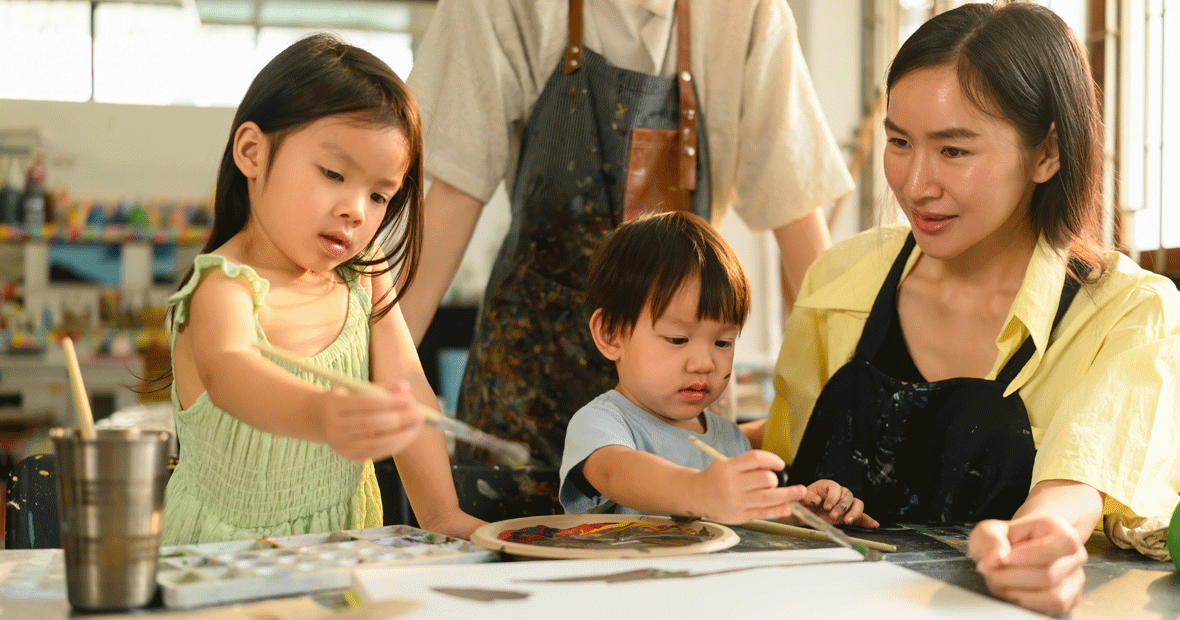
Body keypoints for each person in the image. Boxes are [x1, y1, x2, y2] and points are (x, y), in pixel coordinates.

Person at [759, 4, 1180, 616]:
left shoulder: (1128, 314)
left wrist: (1032, 546)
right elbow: (788, 467)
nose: (916, 183)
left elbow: (1077, 485)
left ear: (1047, 153)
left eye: (954, 151)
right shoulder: (843, 279)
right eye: (899, 142)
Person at [401, 0, 855, 473]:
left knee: (685, 530)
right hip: (528, 379)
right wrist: (385, 364)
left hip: (681, 404)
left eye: (727, 342)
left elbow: (794, 205)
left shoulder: (745, 11)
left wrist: (850, 379)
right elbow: (455, 190)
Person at [162, 34, 484, 545]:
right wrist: (321, 414)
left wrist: (442, 515)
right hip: (221, 557)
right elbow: (232, 371)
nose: (356, 209)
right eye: (334, 173)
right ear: (252, 152)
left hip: (343, 546)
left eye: (379, 194)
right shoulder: (223, 282)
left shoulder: (365, 275)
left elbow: (410, 390)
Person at [560, 212, 876, 527]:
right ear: (610, 334)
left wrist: (806, 514)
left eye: (723, 343)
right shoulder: (602, 422)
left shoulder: (729, 438)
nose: (705, 363)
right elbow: (614, 471)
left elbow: (753, 520)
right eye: (678, 339)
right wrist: (695, 491)